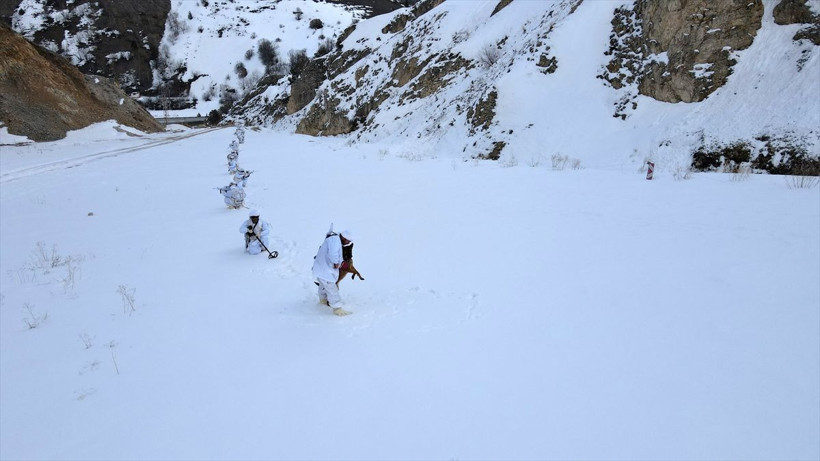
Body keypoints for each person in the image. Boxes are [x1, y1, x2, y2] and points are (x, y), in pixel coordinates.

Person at [312, 225, 353, 316]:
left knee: (323, 284)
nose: (348, 243)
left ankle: (323, 299)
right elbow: (333, 253)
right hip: (325, 269)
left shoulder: (335, 240)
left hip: (321, 268)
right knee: (331, 288)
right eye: (348, 241)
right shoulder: (334, 240)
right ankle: (337, 308)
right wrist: (336, 262)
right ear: (344, 237)